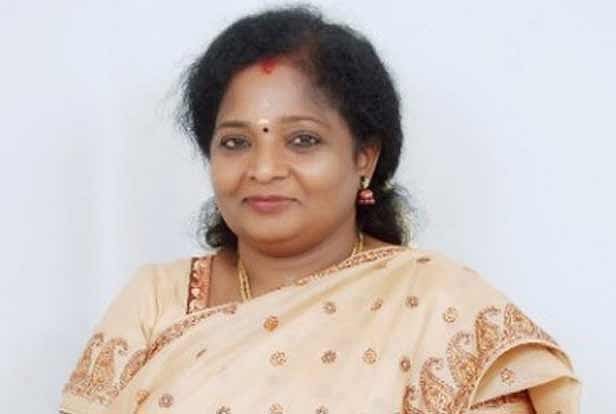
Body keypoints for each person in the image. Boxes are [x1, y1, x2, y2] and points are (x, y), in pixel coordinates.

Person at [59, 6, 580, 414]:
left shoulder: (441, 308)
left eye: (303, 140)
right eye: (236, 142)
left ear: (364, 157)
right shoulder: (154, 301)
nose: (264, 168)